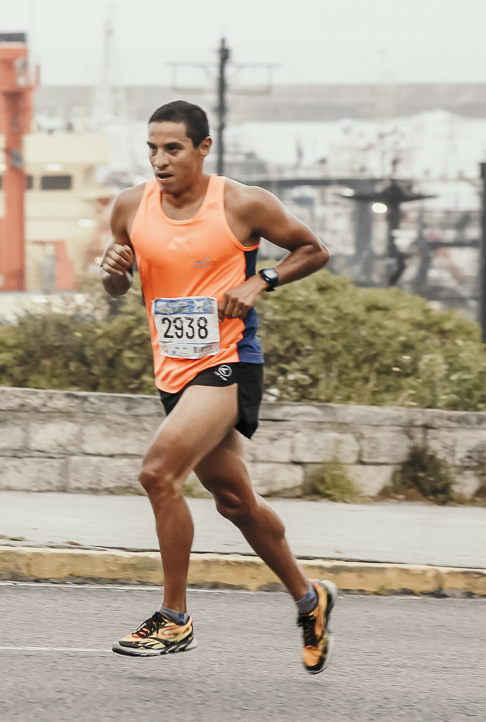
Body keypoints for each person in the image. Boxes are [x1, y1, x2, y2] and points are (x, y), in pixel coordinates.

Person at [100, 100, 336, 674]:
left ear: (203, 148)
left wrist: (261, 281)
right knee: (235, 502)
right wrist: (112, 275)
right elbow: (118, 288)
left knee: (158, 472)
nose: (159, 160)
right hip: (174, 369)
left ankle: (174, 617)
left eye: (173, 148)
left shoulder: (242, 203)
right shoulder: (130, 206)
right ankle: (311, 600)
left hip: (229, 361)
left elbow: (314, 249)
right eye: (152, 148)